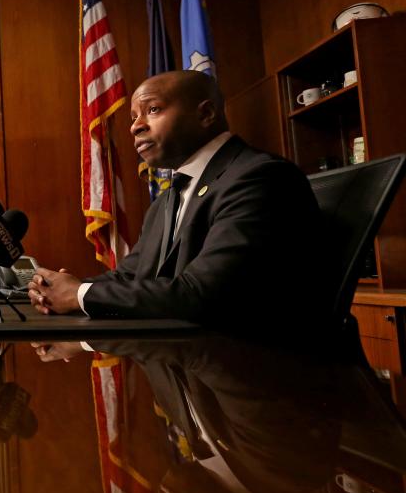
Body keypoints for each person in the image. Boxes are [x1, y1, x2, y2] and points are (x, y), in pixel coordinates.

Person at [28, 70, 325, 333]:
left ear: (206, 114)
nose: (135, 127)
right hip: (192, 365)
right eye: (133, 118)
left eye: (153, 110)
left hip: (266, 374)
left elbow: (201, 294)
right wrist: (61, 290)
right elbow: (130, 275)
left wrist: (79, 295)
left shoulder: (258, 178)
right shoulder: (168, 198)